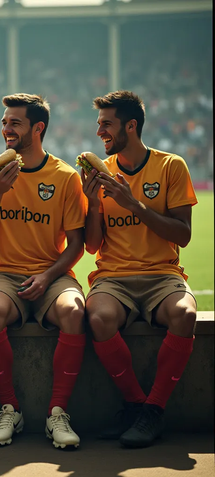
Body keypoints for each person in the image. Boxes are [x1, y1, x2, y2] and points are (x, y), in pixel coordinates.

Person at [81, 90, 197, 448]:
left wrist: (133, 204)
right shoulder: (99, 175)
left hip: (162, 275)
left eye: (106, 124)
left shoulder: (170, 165)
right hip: (113, 276)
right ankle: (135, 405)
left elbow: (183, 234)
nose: (99, 131)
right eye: (99, 124)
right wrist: (94, 206)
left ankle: (153, 411)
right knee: (97, 317)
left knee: (185, 313)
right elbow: (92, 246)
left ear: (130, 126)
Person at [0, 93, 87, 449]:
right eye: (4, 122)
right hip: (4, 274)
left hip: (52, 273)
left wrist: (48, 276)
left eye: (14, 123)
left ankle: (57, 413)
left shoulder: (65, 176)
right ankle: (10, 409)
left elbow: (77, 245)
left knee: (74, 311)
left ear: (38, 128)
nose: (6, 129)